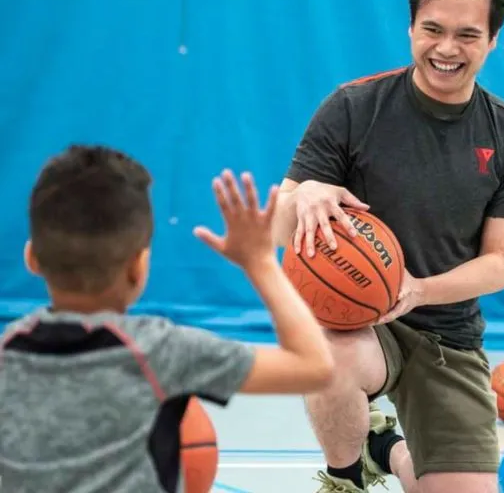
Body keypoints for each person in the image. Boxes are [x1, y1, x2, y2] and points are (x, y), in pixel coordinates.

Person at [273, 0, 504, 493]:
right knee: (331, 354)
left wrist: (417, 290)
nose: (446, 49)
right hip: (357, 322)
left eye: (468, 35)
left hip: (447, 332)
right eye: (432, 30)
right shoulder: (354, 107)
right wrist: (304, 200)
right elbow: (279, 229)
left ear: (492, 42)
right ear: (411, 29)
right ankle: (345, 477)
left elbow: (499, 264)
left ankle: (386, 450)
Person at [0, 144, 334, 493]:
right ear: (139, 267)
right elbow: (314, 365)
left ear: (31, 258)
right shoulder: (157, 351)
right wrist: (260, 262)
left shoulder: (6, 355)